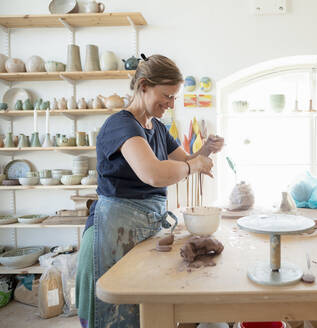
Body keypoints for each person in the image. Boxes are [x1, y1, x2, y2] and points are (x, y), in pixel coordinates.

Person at [75, 54, 224, 328]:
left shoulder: (157, 127)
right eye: (167, 95)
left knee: (141, 314)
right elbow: (155, 174)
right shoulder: (121, 124)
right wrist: (195, 166)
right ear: (143, 85)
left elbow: (184, 160)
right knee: (114, 314)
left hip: (142, 228)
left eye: (174, 98)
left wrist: (205, 152)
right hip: (111, 233)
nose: (170, 104)